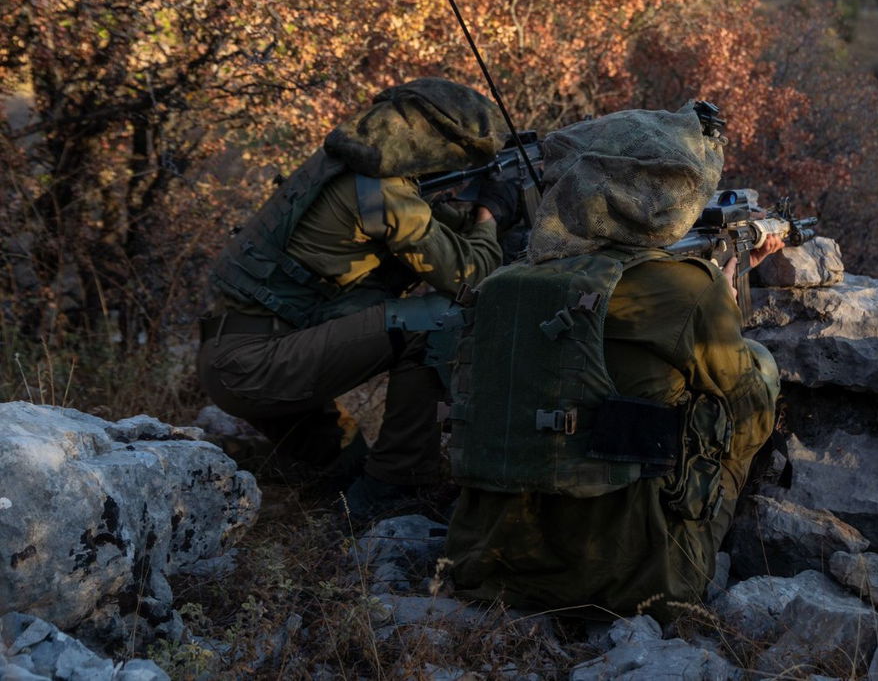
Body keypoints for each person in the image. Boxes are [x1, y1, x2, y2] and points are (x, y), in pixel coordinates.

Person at [444, 104, 781, 619]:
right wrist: (723, 310)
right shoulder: (688, 288)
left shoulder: (504, 283)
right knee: (758, 369)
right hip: (634, 581)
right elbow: (749, 414)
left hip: (489, 564)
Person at [197, 78, 516, 519]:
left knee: (342, 474)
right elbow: (469, 275)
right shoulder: (382, 194)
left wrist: (474, 216)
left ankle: (234, 460)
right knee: (439, 321)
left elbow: (430, 224)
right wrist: (489, 216)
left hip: (241, 355)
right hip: (257, 367)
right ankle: (400, 483)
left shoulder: (344, 169)